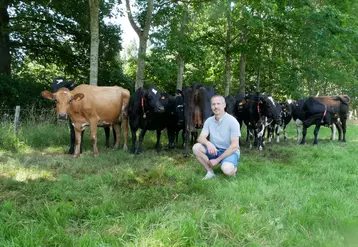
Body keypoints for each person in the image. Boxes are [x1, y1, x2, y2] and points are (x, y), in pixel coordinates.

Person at [192, 95, 241, 180]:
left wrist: (217, 160)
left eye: (218, 104)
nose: (216, 107)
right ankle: (210, 172)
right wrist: (208, 143)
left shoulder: (232, 121)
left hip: (229, 151)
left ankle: (233, 168)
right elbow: (200, 138)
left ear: (224, 105)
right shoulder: (209, 121)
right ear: (211, 106)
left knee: (227, 170)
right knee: (196, 147)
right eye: (213, 104)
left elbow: (234, 146)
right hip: (214, 150)